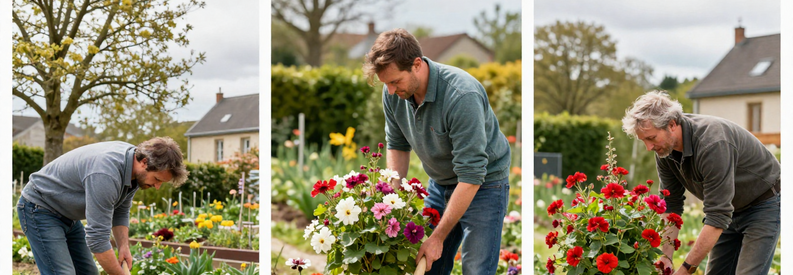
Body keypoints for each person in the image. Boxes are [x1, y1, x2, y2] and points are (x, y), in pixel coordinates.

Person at [363, 28, 512, 275]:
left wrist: (438, 237)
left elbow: (471, 174)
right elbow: (397, 146)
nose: (390, 90)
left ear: (417, 64)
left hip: (484, 186)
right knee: (428, 265)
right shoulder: (393, 93)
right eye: (386, 83)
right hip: (440, 182)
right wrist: (390, 203)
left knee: (476, 270)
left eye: (395, 81)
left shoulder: (461, 95)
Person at [622, 91, 780, 275]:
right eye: (644, 141)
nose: (649, 148)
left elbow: (717, 215)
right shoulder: (665, 150)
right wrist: (666, 256)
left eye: (651, 138)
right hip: (730, 209)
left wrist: (685, 270)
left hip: (764, 203)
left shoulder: (712, 143)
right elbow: (671, 205)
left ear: (672, 124)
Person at [17, 137, 188, 275]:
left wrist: (123, 246)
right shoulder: (106, 172)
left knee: (88, 272)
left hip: (67, 215)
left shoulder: (133, 169)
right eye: (157, 180)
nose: (157, 187)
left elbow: (120, 209)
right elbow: (97, 239)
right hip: (40, 208)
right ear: (144, 162)